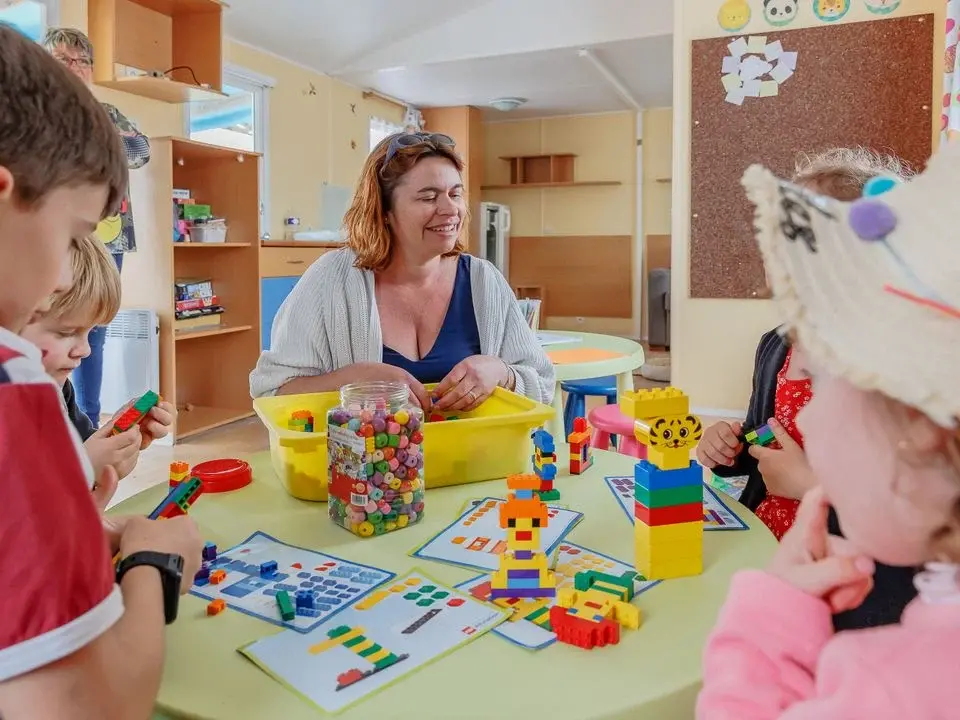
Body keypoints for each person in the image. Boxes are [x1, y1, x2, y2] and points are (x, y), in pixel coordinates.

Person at [696, 140, 960, 718]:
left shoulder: (884, 676)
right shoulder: (775, 345)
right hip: (773, 541)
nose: (811, 408)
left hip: (857, 573)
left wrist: (813, 482)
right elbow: (760, 435)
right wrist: (731, 449)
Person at [0, 26, 201, 717]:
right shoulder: (11, 387)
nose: (64, 270)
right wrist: (157, 563)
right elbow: (94, 704)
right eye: (74, 234)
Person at [250, 132, 554, 410]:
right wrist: (353, 380)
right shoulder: (331, 279)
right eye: (428, 197)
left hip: (480, 466)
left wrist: (502, 373)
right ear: (384, 211)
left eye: (455, 194)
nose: (450, 210)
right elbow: (272, 393)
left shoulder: (483, 281)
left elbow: (542, 383)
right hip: (367, 470)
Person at [44, 27, 151, 427]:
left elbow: (140, 152)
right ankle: (50, 412)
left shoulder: (106, 113)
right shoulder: (31, 112)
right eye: (62, 60)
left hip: (107, 235)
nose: (74, 68)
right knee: (50, 319)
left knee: (95, 327)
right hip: (53, 232)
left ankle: (85, 418)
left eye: (82, 61)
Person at [21, 234, 177, 483]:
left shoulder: (58, 391)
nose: (85, 350)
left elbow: (83, 448)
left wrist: (115, 436)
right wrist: (83, 468)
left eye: (91, 331)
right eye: (66, 332)